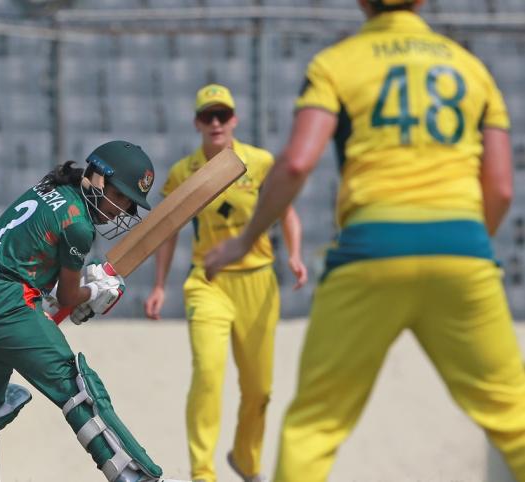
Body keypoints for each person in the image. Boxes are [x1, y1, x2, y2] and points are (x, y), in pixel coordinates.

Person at [204, 1, 525, 481]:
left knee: (315, 425)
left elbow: (296, 162)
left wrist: (245, 240)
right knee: (516, 422)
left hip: (370, 251)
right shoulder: (472, 69)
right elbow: (500, 187)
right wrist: (458, 247)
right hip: (462, 252)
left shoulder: (337, 63)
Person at [0, 141, 184, 482]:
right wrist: (96, 290)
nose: (120, 209)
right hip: (6, 303)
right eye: (120, 196)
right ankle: (133, 475)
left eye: (128, 203)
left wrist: (56, 301)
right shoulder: (79, 223)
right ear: (97, 177)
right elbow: (68, 294)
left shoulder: (51, 188)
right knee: (76, 386)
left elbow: (31, 264)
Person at [144, 84, 307, 482]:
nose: (215, 123)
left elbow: (285, 211)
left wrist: (295, 254)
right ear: (197, 122)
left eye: (222, 115)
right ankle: (203, 472)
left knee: (259, 390)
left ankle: (247, 460)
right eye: (207, 116)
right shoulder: (185, 171)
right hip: (208, 282)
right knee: (208, 373)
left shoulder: (261, 162)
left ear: (234, 118)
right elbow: (170, 230)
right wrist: (160, 285)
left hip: (257, 283)